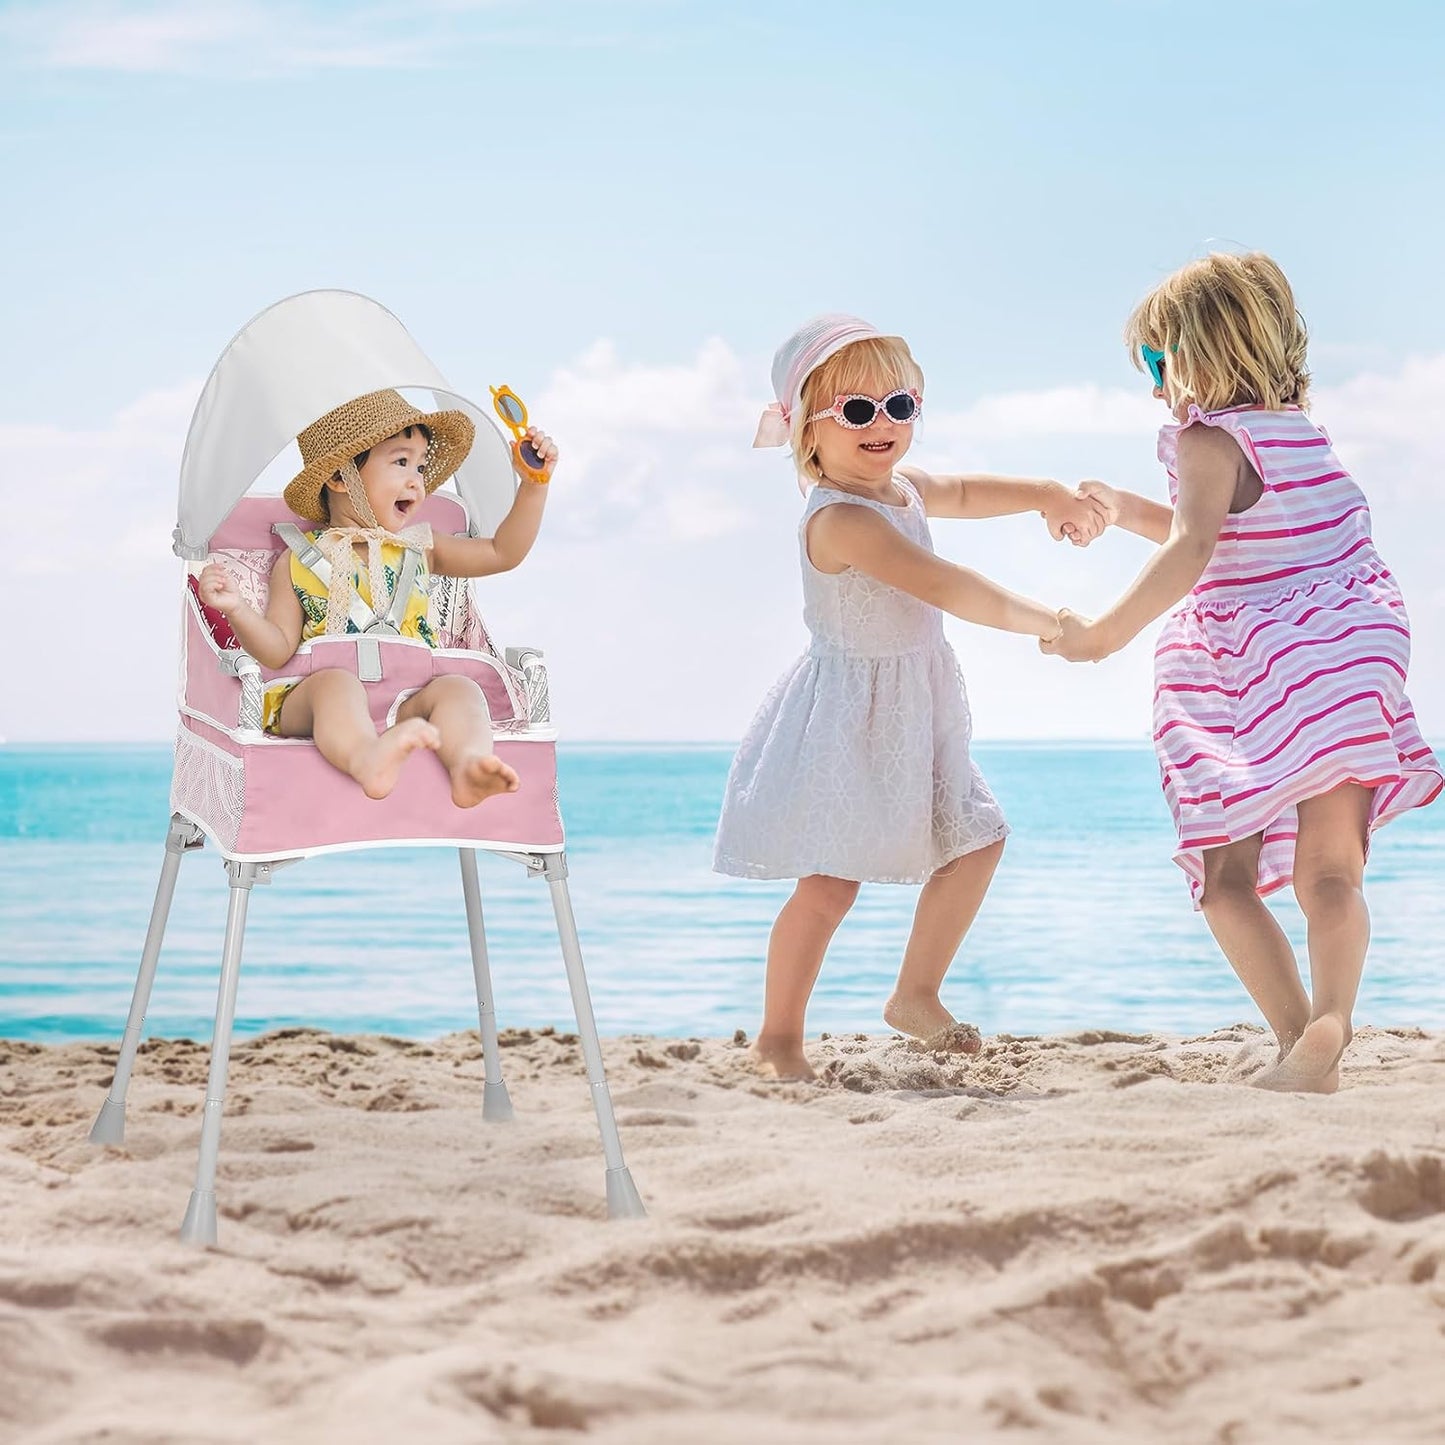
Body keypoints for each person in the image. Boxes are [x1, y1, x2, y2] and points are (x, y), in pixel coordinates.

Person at [1044, 252, 1443, 1092]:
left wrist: (1105, 633)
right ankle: (1330, 1021)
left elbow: (1195, 545)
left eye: (1156, 363)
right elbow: (1225, 524)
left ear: (1196, 352)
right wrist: (1122, 510)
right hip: (1351, 644)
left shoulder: (1202, 436)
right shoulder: (1299, 431)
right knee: (1331, 872)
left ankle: (1298, 1035)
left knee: (1225, 878)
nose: (1153, 386)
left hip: (1262, 661)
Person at [715, 314, 1105, 1081]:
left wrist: (1046, 494)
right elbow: (947, 586)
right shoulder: (839, 520)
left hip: (914, 705)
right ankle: (778, 1038)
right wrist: (1050, 620)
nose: (882, 424)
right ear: (808, 435)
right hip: (848, 720)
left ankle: (914, 993)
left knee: (976, 838)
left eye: (900, 405)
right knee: (828, 886)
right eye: (856, 411)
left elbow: (962, 488)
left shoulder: (902, 490)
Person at [198, 388, 558, 806]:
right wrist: (238, 609)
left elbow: (503, 553)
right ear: (339, 477)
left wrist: (533, 486)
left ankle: (469, 765)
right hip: (317, 703)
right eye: (401, 462)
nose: (416, 481)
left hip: (405, 698)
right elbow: (277, 650)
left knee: (459, 687)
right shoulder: (297, 560)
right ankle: (367, 759)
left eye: (421, 467)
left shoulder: (421, 546)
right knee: (335, 684)